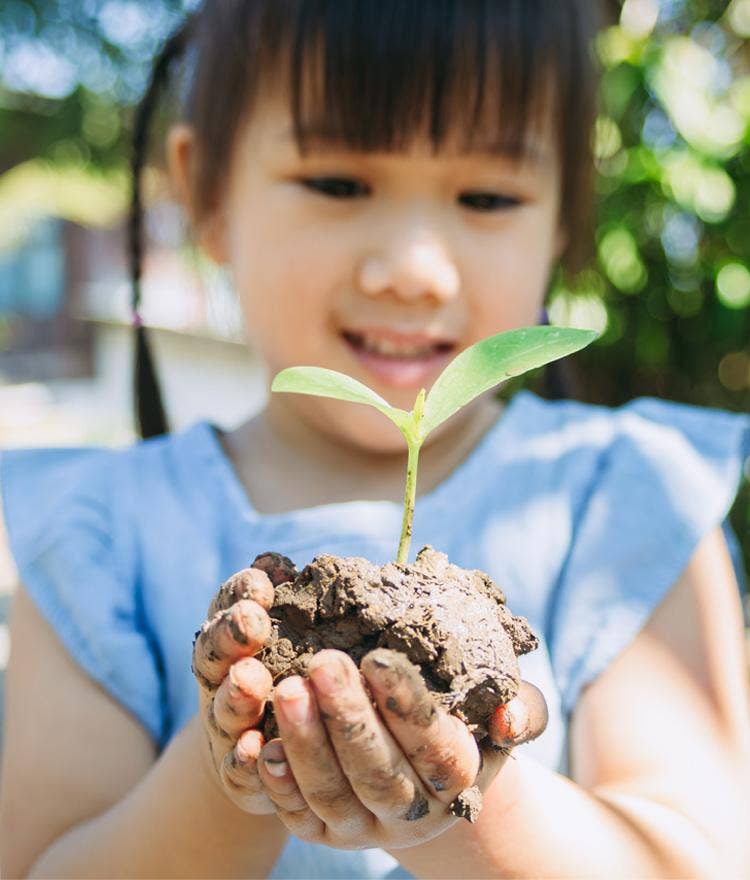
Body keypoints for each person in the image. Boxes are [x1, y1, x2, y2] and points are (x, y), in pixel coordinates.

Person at [1, 1, 750, 877]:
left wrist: (461, 790)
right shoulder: (99, 534)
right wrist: (236, 775)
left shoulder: (629, 502)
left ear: (563, 219)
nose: (412, 271)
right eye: (338, 183)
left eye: (487, 196)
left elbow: (697, 857)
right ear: (204, 190)